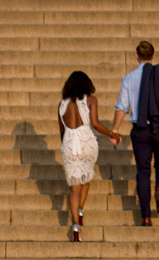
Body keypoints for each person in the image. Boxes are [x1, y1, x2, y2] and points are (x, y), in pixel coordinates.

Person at [107, 40, 159, 226]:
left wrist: (115, 130)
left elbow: (122, 107)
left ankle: (146, 217)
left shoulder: (129, 78)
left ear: (136, 56)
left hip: (141, 130)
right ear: (154, 56)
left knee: (143, 172)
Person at [55, 71, 107, 242]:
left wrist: (66, 147)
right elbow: (96, 123)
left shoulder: (61, 104)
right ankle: (80, 210)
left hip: (70, 143)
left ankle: (76, 226)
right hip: (87, 142)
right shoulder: (91, 100)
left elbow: (61, 131)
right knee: (86, 178)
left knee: (74, 187)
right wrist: (112, 134)